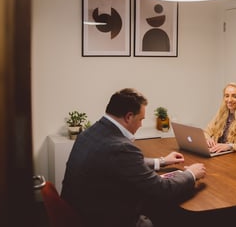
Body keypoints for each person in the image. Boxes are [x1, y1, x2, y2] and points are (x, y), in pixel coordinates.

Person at [61, 88, 206, 227]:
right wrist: (191, 174)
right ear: (129, 116)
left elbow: (117, 162)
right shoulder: (121, 147)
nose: (141, 125)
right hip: (105, 220)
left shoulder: (90, 133)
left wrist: (161, 161)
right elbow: (162, 189)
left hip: (78, 212)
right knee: (165, 211)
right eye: (141, 119)